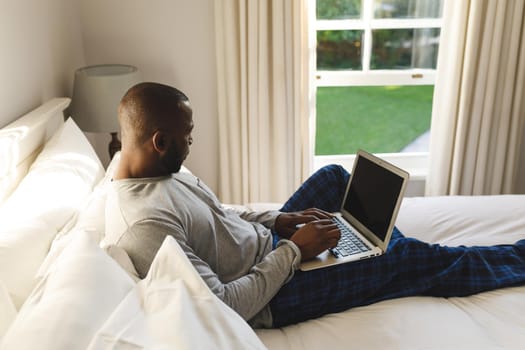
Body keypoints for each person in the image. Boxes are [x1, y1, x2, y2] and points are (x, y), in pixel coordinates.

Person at [105, 82, 525, 328]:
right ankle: (411, 259)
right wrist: (296, 251)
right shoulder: (145, 224)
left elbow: (219, 217)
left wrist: (281, 219)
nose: (192, 141)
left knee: (334, 179)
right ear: (160, 141)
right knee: (406, 257)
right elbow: (225, 307)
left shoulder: (156, 169)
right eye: (188, 134)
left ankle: (371, 250)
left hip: (269, 248)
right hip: (274, 295)